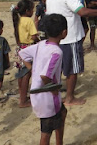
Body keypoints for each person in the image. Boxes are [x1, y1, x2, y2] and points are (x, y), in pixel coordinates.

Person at [20, 14, 68, 145]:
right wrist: (52, 88)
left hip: (38, 94)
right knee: (46, 132)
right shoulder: (57, 52)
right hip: (48, 97)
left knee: (62, 113)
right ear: (64, 32)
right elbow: (45, 76)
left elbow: (22, 53)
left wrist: (32, 69)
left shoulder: (41, 44)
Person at [12, 0, 39, 108]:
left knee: (21, 74)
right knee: (27, 75)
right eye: (32, 9)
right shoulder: (29, 21)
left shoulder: (18, 20)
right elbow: (33, 36)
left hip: (20, 48)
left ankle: (22, 95)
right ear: (28, 11)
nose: (33, 12)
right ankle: (23, 101)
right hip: (28, 49)